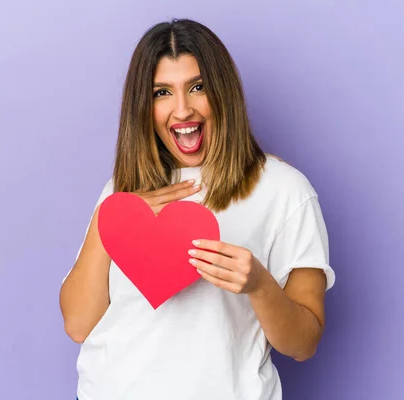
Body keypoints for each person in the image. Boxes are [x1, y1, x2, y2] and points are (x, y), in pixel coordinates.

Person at [59, 18, 335, 400]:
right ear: (144, 105)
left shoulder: (285, 190)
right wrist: (113, 218)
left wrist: (258, 283)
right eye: (162, 93)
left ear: (223, 93)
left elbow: (304, 344)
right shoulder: (121, 191)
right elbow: (77, 324)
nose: (182, 109)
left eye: (198, 87)